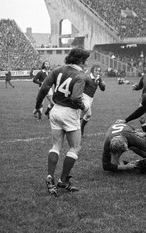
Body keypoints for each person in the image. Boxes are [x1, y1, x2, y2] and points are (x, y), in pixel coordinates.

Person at [34, 47, 91, 196]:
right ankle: (63, 180)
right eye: (85, 60)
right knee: (75, 147)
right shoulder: (80, 76)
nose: (86, 63)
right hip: (69, 113)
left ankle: (49, 176)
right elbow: (75, 98)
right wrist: (85, 107)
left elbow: (44, 89)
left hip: (55, 110)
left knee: (56, 145)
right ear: (80, 60)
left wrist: (37, 106)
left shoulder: (57, 70)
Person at [80, 64, 106, 136]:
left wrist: (103, 85)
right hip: (84, 96)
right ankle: (79, 129)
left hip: (91, 98)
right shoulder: (87, 78)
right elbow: (80, 85)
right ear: (92, 70)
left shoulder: (98, 78)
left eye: (99, 71)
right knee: (87, 111)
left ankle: (77, 127)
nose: (98, 72)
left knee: (86, 115)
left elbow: (102, 89)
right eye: (96, 70)